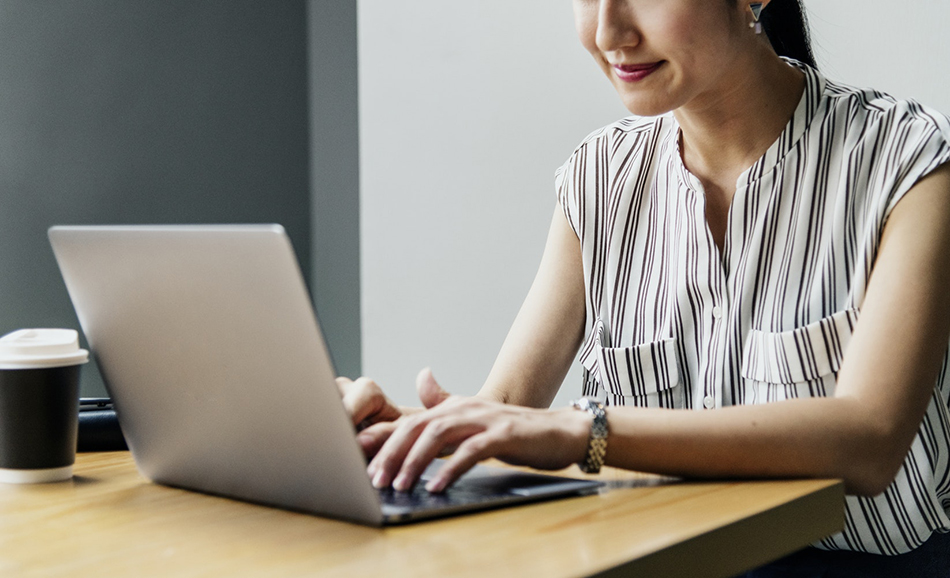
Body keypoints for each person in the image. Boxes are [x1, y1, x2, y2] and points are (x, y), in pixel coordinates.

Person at [338, 0, 950, 574]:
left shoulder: (908, 163)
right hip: (651, 560)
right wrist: (405, 431)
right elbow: (508, 411)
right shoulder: (597, 177)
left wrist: (588, 434)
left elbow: (869, 442)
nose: (609, 35)